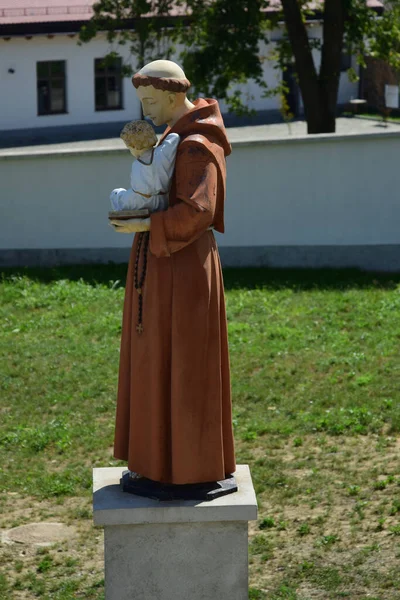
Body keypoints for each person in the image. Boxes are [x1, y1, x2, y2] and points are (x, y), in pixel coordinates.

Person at [110, 60, 236, 486]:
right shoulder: (173, 137)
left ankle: (188, 468)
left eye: (150, 101)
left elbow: (198, 211)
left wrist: (143, 223)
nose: (145, 111)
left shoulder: (196, 143)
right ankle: (158, 464)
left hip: (183, 269)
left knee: (184, 363)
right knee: (157, 359)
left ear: (171, 96)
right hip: (163, 265)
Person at [110, 120, 180, 213]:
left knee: (116, 194)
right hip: (162, 200)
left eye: (129, 148)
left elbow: (138, 190)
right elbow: (175, 137)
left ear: (134, 146)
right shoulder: (162, 153)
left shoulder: (137, 164)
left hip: (141, 202)